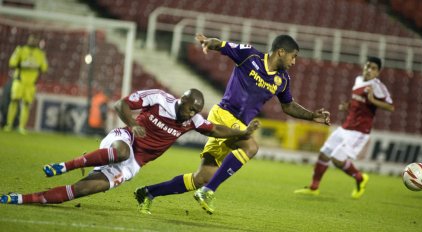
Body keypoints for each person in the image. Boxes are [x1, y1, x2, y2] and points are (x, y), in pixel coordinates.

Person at [133, 34, 331, 215]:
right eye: (293, 56)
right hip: (223, 115)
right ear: (281, 52)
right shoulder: (250, 56)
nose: (294, 62)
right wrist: (208, 44)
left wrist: (312, 116)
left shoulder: (283, 80)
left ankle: (148, 192)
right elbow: (223, 46)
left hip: (236, 127)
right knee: (251, 146)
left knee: (202, 177)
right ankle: (208, 192)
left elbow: (288, 106)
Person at [0, 88, 260, 205]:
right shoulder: (158, 98)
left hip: (135, 163)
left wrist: (243, 132)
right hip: (125, 139)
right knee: (121, 151)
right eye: (190, 107)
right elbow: (120, 104)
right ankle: (65, 165)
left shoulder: (192, 120)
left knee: (86, 189)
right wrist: (133, 123)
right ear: (181, 100)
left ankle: (21, 199)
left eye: (195, 110)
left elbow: (216, 129)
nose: (191, 113)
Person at [294, 56, 394, 199]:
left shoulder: (377, 86)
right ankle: (313, 187)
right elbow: (358, 103)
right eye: (367, 66)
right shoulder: (358, 80)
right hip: (346, 126)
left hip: (359, 131)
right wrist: (348, 106)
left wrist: (372, 100)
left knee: (337, 159)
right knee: (324, 153)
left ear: (378, 72)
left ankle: (360, 178)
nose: (369, 70)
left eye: (373, 68)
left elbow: (391, 107)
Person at [3, 34, 48, 135]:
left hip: (31, 83)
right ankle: (9, 125)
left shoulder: (40, 54)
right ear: (28, 39)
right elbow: (12, 63)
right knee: (14, 101)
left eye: (35, 40)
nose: (33, 42)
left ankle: (21, 127)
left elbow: (44, 68)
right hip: (19, 81)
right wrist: (24, 65)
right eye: (32, 39)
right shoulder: (20, 50)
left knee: (26, 104)